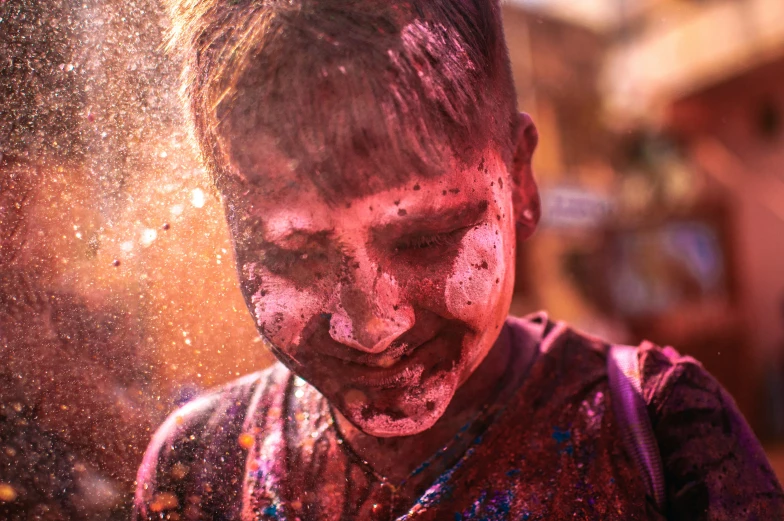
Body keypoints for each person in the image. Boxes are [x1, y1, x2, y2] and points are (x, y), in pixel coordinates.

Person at [134, 1, 784, 519]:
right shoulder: (200, 467)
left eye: (424, 238)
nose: (372, 325)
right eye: (294, 253)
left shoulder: (661, 439)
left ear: (521, 181)